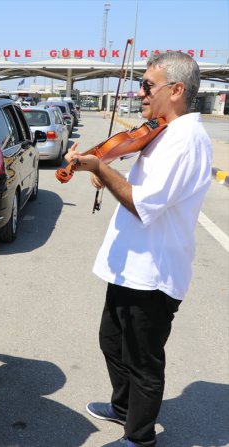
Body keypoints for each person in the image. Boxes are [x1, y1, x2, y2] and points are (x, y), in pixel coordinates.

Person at [65, 51, 211, 447]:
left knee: (144, 361)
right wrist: (99, 166)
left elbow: (144, 203)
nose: (140, 92)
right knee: (111, 340)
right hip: (131, 267)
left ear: (176, 90)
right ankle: (124, 408)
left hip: (154, 271)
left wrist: (100, 167)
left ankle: (140, 438)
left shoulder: (186, 140)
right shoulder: (163, 130)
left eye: (148, 85)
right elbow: (134, 176)